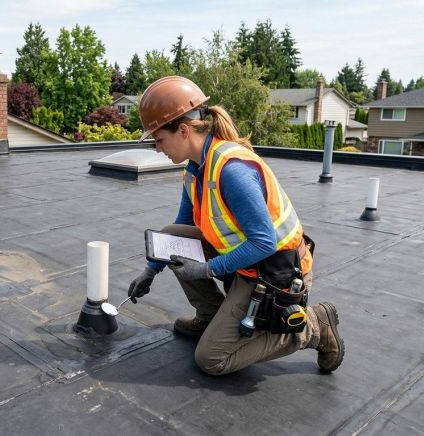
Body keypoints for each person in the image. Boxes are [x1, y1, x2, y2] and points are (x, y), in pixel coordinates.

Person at [127, 76, 344, 375]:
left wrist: (205, 270)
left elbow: (264, 242)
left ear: (183, 130)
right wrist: (150, 270)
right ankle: (211, 316)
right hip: (245, 263)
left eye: (158, 139)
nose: (156, 148)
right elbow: (182, 226)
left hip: (275, 272)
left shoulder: (232, 171)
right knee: (171, 236)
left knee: (211, 360)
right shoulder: (195, 169)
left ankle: (314, 327)